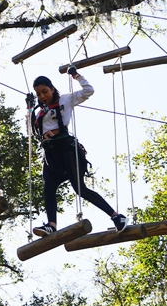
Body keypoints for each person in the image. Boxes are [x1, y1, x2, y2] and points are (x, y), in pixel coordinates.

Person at [31, 66, 128, 237]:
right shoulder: (39, 113)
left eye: (45, 91)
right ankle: (51, 225)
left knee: (80, 189)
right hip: (51, 155)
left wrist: (76, 76)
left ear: (52, 89)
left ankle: (117, 217)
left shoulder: (65, 100)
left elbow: (88, 91)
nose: (42, 96)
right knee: (48, 188)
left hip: (67, 150)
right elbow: (33, 131)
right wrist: (29, 110)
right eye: (39, 94)